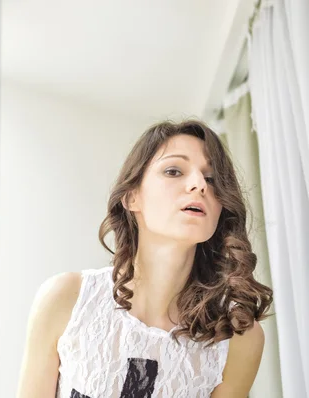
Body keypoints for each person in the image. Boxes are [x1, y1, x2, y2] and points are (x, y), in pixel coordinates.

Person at [16, 120, 273, 398]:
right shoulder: (67, 298)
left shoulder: (237, 336)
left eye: (211, 178)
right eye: (174, 171)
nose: (199, 185)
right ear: (131, 197)